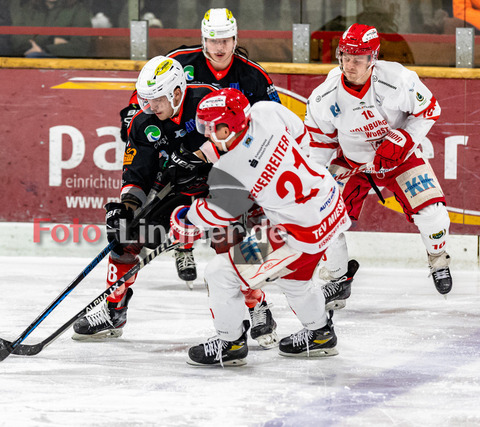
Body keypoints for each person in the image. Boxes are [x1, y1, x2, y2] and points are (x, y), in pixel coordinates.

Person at [71, 56, 278, 349]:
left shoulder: (209, 100)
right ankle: (113, 311)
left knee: (232, 245)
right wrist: (126, 209)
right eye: (146, 99)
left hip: (221, 184)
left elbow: (240, 143)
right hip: (175, 189)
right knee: (126, 237)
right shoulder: (143, 123)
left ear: (177, 92)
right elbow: (137, 174)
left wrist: (199, 159)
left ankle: (257, 305)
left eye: (157, 99)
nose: (150, 106)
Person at [168, 87, 351, 365]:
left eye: (212, 128)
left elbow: (216, 214)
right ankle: (320, 335)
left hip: (297, 233)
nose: (207, 134)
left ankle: (230, 343)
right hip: (330, 206)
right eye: (204, 127)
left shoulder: (231, 167)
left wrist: (184, 219)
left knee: (220, 273)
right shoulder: (266, 111)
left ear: (230, 127)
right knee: (295, 279)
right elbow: (301, 137)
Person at [119, 7, 281, 286]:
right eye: (213, 40)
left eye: (226, 40)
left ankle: (255, 266)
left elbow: (271, 118)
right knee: (173, 196)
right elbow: (147, 89)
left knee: (252, 210)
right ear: (203, 39)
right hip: (180, 149)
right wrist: (134, 114)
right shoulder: (179, 61)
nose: (220, 48)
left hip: (228, 154)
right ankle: (184, 247)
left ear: (235, 39)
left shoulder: (253, 75)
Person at [304, 23, 452, 303]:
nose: (350, 65)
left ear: (373, 58)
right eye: (346, 57)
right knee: (322, 215)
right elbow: (320, 142)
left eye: (358, 59)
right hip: (353, 163)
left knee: (434, 214)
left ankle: (437, 258)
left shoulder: (397, 79)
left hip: (400, 159)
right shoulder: (324, 95)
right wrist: (316, 180)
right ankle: (338, 278)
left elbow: (430, 109)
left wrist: (405, 137)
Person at [8, 0, 92, 58]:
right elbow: (17, 41)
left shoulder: (79, 10)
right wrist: (51, 41)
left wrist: (45, 49)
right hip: (27, 61)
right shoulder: (28, 9)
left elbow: (81, 47)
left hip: (63, 64)